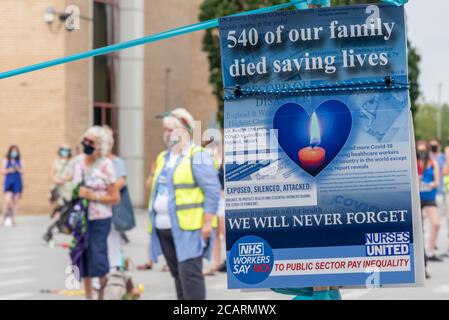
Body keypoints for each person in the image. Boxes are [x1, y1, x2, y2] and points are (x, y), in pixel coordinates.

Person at [148, 108, 221, 300]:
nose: (166, 133)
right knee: (177, 276)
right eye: (164, 129)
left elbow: (212, 191)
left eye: (170, 129)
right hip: (164, 228)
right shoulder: (163, 158)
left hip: (189, 228)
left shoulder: (197, 155)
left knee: (190, 276)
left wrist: (207, 223)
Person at [72, 126, 120, 300]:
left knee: (98, 255)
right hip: (82, 217)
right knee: (82, 255)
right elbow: (73, 187)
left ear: (99, 145)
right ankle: (88, 296)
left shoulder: (106, 165)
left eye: (90, 142)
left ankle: (102, 294)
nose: (86, 144)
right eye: (85, 140)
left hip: (100, 217)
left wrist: (93, 196)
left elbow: (115, 197)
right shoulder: (77, 162)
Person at [104, 126, 130, 272]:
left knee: (113, 240)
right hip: (96, 208)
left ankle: (114, 272)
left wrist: (105, 188)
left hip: (113, 207)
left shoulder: (117, 162)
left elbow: (121, 181)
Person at [417, 141, 442, 262]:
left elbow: (437, 182)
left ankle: (431, 251)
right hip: (417, 198)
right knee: (418, 227)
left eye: (423, 150)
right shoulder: (414, 163)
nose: (422, 153)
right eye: (419, 150)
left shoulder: (433, 163)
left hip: (429, 197)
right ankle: (420, 254)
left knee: (436, 224)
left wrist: (430, 184)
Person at [1, 145, 24, 227]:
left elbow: (23, 171)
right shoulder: (6, 159)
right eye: (12, 151)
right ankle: (3, 219)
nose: (14, 153)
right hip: (9, 182)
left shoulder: (20, 160)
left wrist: (17, 168)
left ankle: (13, 219)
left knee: (15, 202)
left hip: (17, 182)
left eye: (15, 151)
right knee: (7, 201)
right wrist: (10, 169)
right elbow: (2, 171)